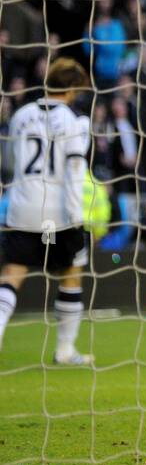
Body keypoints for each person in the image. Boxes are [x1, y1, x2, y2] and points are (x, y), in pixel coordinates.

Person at [0, 58, 94, 364]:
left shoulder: (21, 114)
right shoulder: (74, 120)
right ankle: (65, 350)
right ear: (71, 89)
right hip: (57, 214)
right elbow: (75, 170)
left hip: (22, 206)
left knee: (13, 273)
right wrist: (76, 216)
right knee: (71, 271)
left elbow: (10, 162)